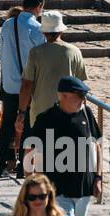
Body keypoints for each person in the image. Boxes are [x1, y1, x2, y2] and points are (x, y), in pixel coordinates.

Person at [24, 76, 102, 216]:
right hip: (57, 189)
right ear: (64, 96)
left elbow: (96, 145)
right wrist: (30, 181)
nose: (84, 99)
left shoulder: (87, 113)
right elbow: (30, 148)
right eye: (80, 95)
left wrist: (98, 177)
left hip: (84, 188)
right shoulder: (46, 118)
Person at [15, 10, 87, 147]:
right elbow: (80, 86)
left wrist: (21, 113)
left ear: (43, 32)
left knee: (41, 155)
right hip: (68, 111)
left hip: (40, 113)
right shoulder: (74, 52)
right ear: (61, 31)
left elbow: (26, 85)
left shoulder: (35, 53)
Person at [0, 0, 45, 178]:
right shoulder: (35, 27)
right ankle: (22, 169)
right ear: (39, 6)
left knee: (7, 123)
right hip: (28, 84)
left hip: (8, 82)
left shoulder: (7, 24)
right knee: (27, 125)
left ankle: (0, 164)